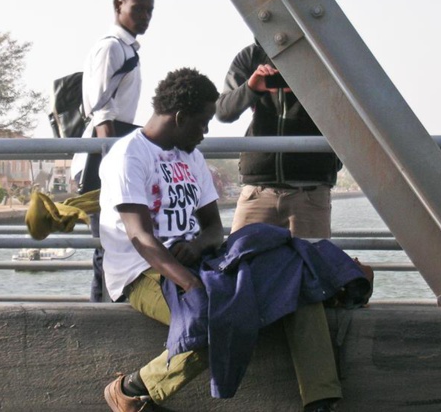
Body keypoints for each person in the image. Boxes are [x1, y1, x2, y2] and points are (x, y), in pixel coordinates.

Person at [100, 68, 342, 412]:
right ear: (181, 118)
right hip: (144, 273)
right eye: (201, 123)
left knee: (296, 280)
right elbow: (140, 236)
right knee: (217, 320)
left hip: (197, 263)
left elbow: (213, 227)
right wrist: (190, 284)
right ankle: (132, 388)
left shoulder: (192, 158)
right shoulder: (129, 156)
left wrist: (198, 246)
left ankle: (321, 401)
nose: (205, 132)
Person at [72, 0, 155, 302]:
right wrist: (113, 165)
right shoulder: (111, 47)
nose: (145, 16)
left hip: (114, 146)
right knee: (106, 240)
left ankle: (105, 308)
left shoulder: (126, 48)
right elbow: (101, 109)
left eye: (150, 11)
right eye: (138, 9)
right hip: (104, 152)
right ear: (118, 5)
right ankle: (102, 313)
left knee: (112, 241)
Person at [215, 40, 342, 238]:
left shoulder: (324, 51)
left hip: (310, 191)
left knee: (310, 266)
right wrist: (252, 87)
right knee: (241, 262)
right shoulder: (252, 55)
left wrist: (309, 86)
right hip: (257, 190)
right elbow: (223, 111)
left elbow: (348, 112)